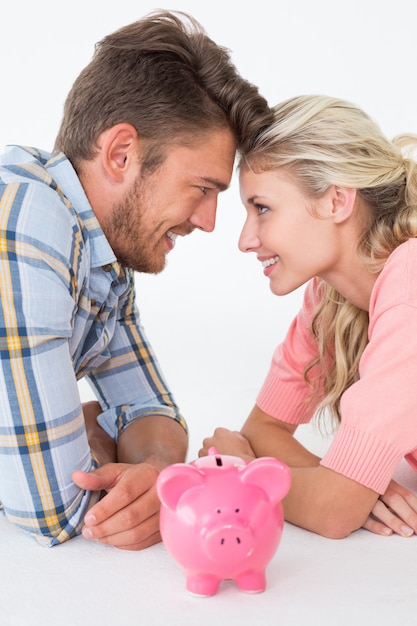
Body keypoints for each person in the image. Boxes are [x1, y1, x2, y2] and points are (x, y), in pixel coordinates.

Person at [0, 10, 271, 550]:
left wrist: (151, 470)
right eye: (202, 187)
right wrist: (100, 444)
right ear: (121, 153)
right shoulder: (26, 217)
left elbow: (154, 411)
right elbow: (52, 509)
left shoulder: (103, 254)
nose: (209, 221)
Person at [200, 94, 417, 540]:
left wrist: (242, 473)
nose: (245, 239)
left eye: (262, 208)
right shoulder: (330, 296)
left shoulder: (411, 279)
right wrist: (346, 485)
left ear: (337, 200)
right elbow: (263, 429)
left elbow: (333, 511)